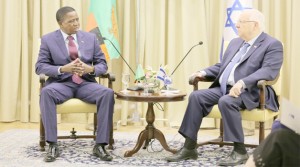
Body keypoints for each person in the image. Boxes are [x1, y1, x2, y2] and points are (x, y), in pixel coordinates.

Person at [166, 8, 283, 166]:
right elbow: (224, 66)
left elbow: (269, 71)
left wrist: (243, 82)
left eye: (241, 22)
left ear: (255, 25)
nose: (237, 25)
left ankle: (239, 151)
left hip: (252, 91)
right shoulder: (236, 42)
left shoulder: (272, 44)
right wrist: (203, 72)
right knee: (196, 96)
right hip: (225, 88)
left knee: (226, 101)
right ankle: (189, 147)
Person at [35, 6, 114, 162]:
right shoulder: (48, 39)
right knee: (46, 92)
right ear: (61, 23)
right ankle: (52, 144)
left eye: (77, 19)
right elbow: (40, 67)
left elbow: (102, 64)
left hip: (86, 84)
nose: (76, 23)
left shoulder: (90, 38)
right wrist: (62, 69)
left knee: (107, 93)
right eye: (71, 21)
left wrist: (90, 69)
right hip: (61, 84)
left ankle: (100, 145)